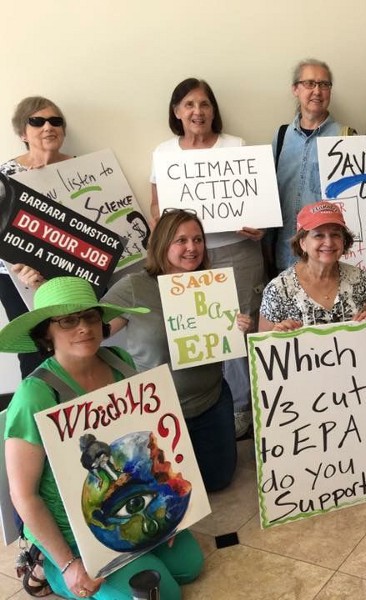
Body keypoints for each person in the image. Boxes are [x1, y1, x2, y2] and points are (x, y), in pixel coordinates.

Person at [1, 276, 203, 599]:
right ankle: (47, 566)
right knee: (163, 594)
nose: (84, 327)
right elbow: (23, 495)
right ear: (46, 333)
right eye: (68, 320)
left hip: (132, 499)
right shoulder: (34, 395)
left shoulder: (119, 362)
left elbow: (144, 440)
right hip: (74, 532)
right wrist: (68, 563)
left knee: (190, 564)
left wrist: (164, 514)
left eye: (91, 316)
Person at [102, 209, 251, 491]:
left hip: (212, 400)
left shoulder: (211, 285)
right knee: (170, 489)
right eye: (181, 240)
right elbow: (97, 332)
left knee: (217, 481)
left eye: (197, 239)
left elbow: (222, 339)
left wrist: (237, 325)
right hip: (159, 408)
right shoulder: (135, 287)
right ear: (162, 244)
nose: (192, 248)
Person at [149, 77, 264, 439]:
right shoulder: (164, 153)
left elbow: (256, 206)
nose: (197, 112)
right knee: (201, 334)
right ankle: (212, 407)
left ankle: (244, 408)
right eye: (189, 105)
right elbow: (155, 206)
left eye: (204, 104)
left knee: (240, 330)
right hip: (186, 255)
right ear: (177, 111)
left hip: (238, 252)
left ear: (213, 110)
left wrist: (258, 228)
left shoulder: (236, 145)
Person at [0, 96, 72, 379]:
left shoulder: (80, 168)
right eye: (37, 121)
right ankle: (38, 413)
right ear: (22, 132)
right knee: (33, 345)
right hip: (16, 278)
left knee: (70, 338)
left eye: (55, 121)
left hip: (67, 272)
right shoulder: (5, 176)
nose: (47, 127)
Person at [268, 59, 356, 274]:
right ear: (295, 89)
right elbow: (267, 195)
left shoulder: (346, 137)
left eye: (324, 84)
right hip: (283, 257)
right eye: (309, 83)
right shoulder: (280, 137)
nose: (317, 91)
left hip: (326, 259)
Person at [259, 201, 366, 331]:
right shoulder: (278, 290)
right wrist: (277, 335)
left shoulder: (359, 279)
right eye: (319, 235)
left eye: (335, 234)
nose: (329, 243)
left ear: (344, 240)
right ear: (302, 243)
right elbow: (263, 347)